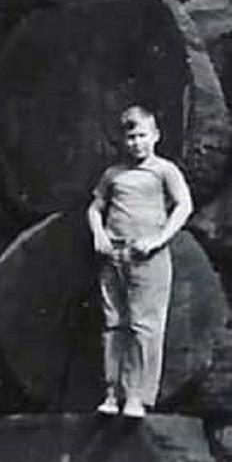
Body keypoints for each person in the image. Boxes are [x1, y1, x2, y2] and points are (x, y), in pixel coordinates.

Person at [87, 105, 192, 418]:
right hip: (113, 255)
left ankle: (137, 396)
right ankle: (112, 392)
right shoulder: (113, 174)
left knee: (144, 326)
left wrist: (158, 239)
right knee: (113, 323)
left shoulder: (164, 171)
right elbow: (95, 208)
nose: (136, 143)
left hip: (147, 256)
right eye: (130, 137)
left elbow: (184, 206)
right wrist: (99, 235)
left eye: (142, 136)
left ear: (155, 136)